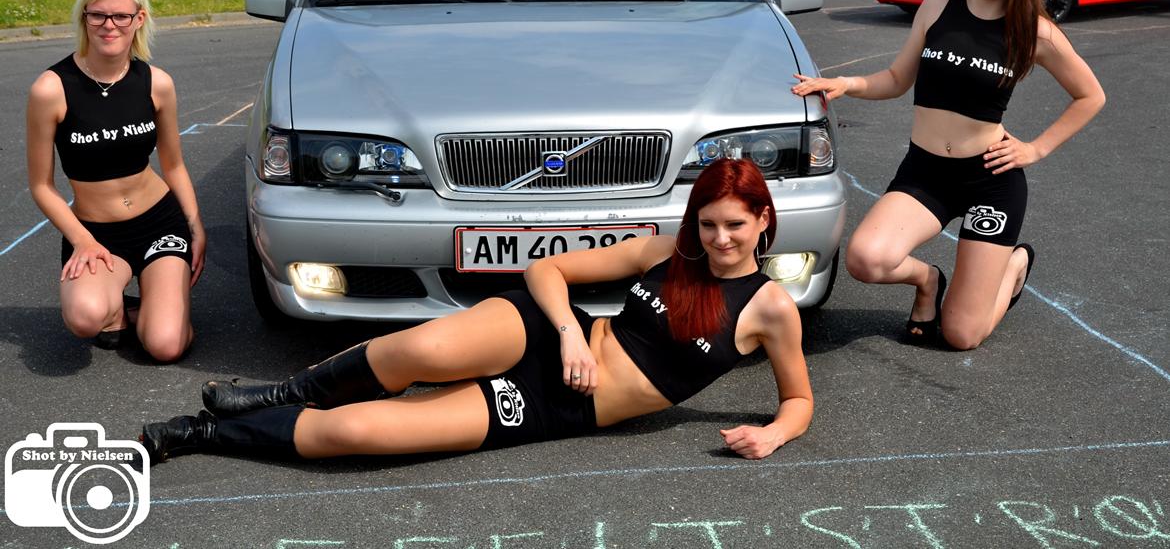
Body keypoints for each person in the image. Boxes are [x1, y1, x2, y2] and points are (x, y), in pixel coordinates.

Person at [139, 158, 812, 465]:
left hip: (559, 405)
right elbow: (545, 269)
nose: (719, 239)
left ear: (762, 220)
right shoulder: (669, 249)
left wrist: (773, 433)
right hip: (552, 335)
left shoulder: (770, 308)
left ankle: (203, 434)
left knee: (359, 433)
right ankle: (278, 392)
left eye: (734, 225)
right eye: (708, 222)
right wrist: (571, 334)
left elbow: (798, 398)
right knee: (418, 352)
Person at [792, 0, 1105, 350]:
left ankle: (1013, 266)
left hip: (990, 183)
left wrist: (1036, 149)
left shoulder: (1033, 32)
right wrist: (846, 83)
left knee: (960, 334)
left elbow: (1091, 95)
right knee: (866, 259)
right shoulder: (938, 6)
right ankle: (928, 281)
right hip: (926, 174)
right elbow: (898, 79)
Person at [26, 0, 205, 362]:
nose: (109, 25)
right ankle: (116, 307)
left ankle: (150, 310)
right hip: (97, 234)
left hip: (160, 223)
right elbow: (41, 184)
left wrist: (194, 225)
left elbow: (173, 165)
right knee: (85, 317)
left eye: (121, 15)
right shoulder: (51, 89)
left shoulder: (156, 83)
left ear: (138, 19)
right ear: (84, 17)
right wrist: (82, 240)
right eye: (98, 14)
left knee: (165, 345)